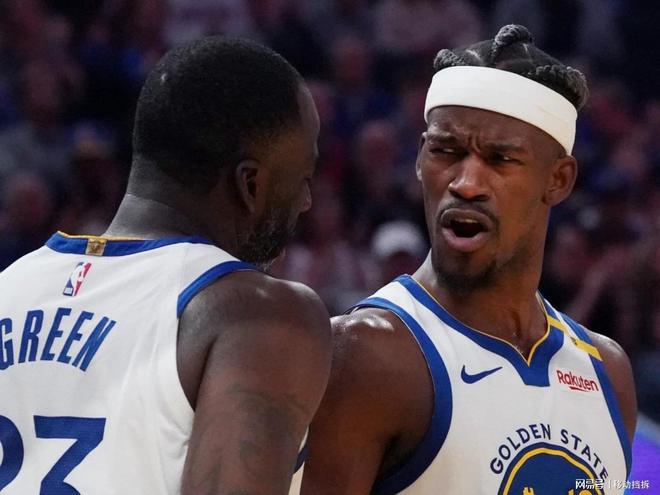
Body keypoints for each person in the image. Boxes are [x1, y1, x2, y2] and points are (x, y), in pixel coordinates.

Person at [301, 25, 636, 494]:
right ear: (420, 158)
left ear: (558, 180)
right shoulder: (366, 355)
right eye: (446, 151)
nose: (466, 183)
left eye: (500, 159)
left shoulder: (607, 372)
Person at [0, 37, 331, 494]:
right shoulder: (256, 313)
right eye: (303, 179)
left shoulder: (10, 285)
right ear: (250, 185)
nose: (307, 201)